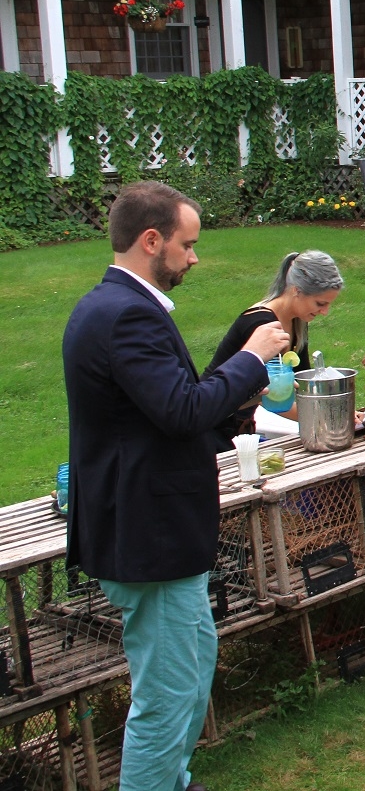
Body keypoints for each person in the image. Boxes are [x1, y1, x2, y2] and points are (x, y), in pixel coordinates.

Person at [63, 181, 289, 791]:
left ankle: (173, 779)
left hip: (150, 531)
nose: (194, 257)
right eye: (186, 245)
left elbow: (165, 409)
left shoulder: (111, 307)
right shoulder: (125, 315)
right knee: (168, 693)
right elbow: (181, 410)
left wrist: (234, 390)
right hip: (148, 536)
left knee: (191, 668)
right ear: (151, 240)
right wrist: (250, 357)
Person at [207, 250, 344, 434]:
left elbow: (301, 383)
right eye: (320, 304)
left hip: (240, 425)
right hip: (214, 425)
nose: (325, 312)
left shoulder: (298, 321)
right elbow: (275, 398)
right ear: (296, 290)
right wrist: (333, 416)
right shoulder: (261, 323)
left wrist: (342, 409)